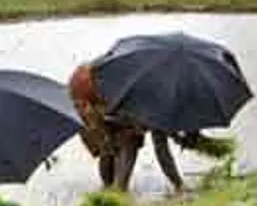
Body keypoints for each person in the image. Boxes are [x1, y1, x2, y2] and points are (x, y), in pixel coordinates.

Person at [67, 62, 188, 193]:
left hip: (98, 95)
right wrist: (179, 184)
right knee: (122, 141)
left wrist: (177, 136)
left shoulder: (154, 89)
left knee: (118, 141)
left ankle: (113, 191)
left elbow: (161, 136)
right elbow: (161, 146)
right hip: (86, 101)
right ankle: (117, 191)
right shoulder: (150, 95)